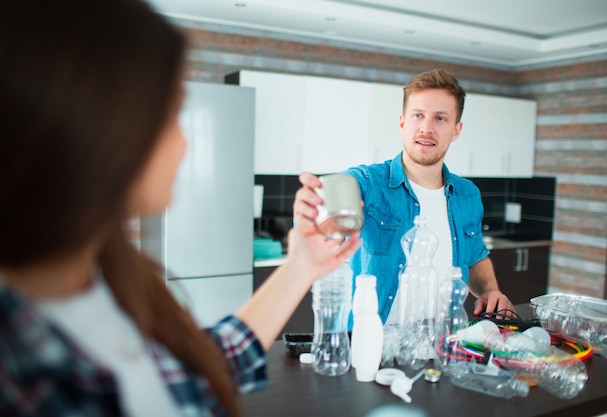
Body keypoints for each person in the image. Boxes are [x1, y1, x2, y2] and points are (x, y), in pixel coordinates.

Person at [0, 1, 361, 416]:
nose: (186, 142)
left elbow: (194, 374)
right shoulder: (22, 377)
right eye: (172, 113)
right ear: (99, 126)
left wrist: (301, 266)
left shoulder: (104, 278)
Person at [294, 68, 515, 326]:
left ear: (456, 130)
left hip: (442, 345)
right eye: (418, 115)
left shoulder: (468, 195)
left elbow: (475, 255)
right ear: (402, 122)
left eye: (440, 118)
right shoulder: (368, 182)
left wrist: (490, 290)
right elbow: (322, 216)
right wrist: (315, 208)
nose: (426, 128)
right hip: (372, 346)